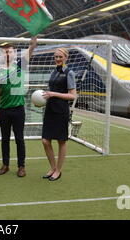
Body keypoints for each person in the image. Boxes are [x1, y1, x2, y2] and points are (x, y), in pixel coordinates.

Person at [0, 37, 37, 177]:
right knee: (5, 139)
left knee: (19, 138)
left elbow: (31, 48)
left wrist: (34, 37)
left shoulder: (20, 66)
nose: (7, 54)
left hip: (18, 109)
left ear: (14, 54)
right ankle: (5, 165)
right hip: (4, 110)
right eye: (5, 52)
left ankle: (21, 166)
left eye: (10, 51)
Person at [41, 47, 76, 181]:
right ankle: (53, 167)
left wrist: (54, 94)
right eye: (56, 57)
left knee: (61, 141)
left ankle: (58, 171)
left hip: (61, 110)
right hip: (50, 109)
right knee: (45, 140)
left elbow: (73, 96)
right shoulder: (53, 72)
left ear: (66, 58)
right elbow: (51, 90)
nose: (57, 59)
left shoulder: (69, 73)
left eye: (60, 57)